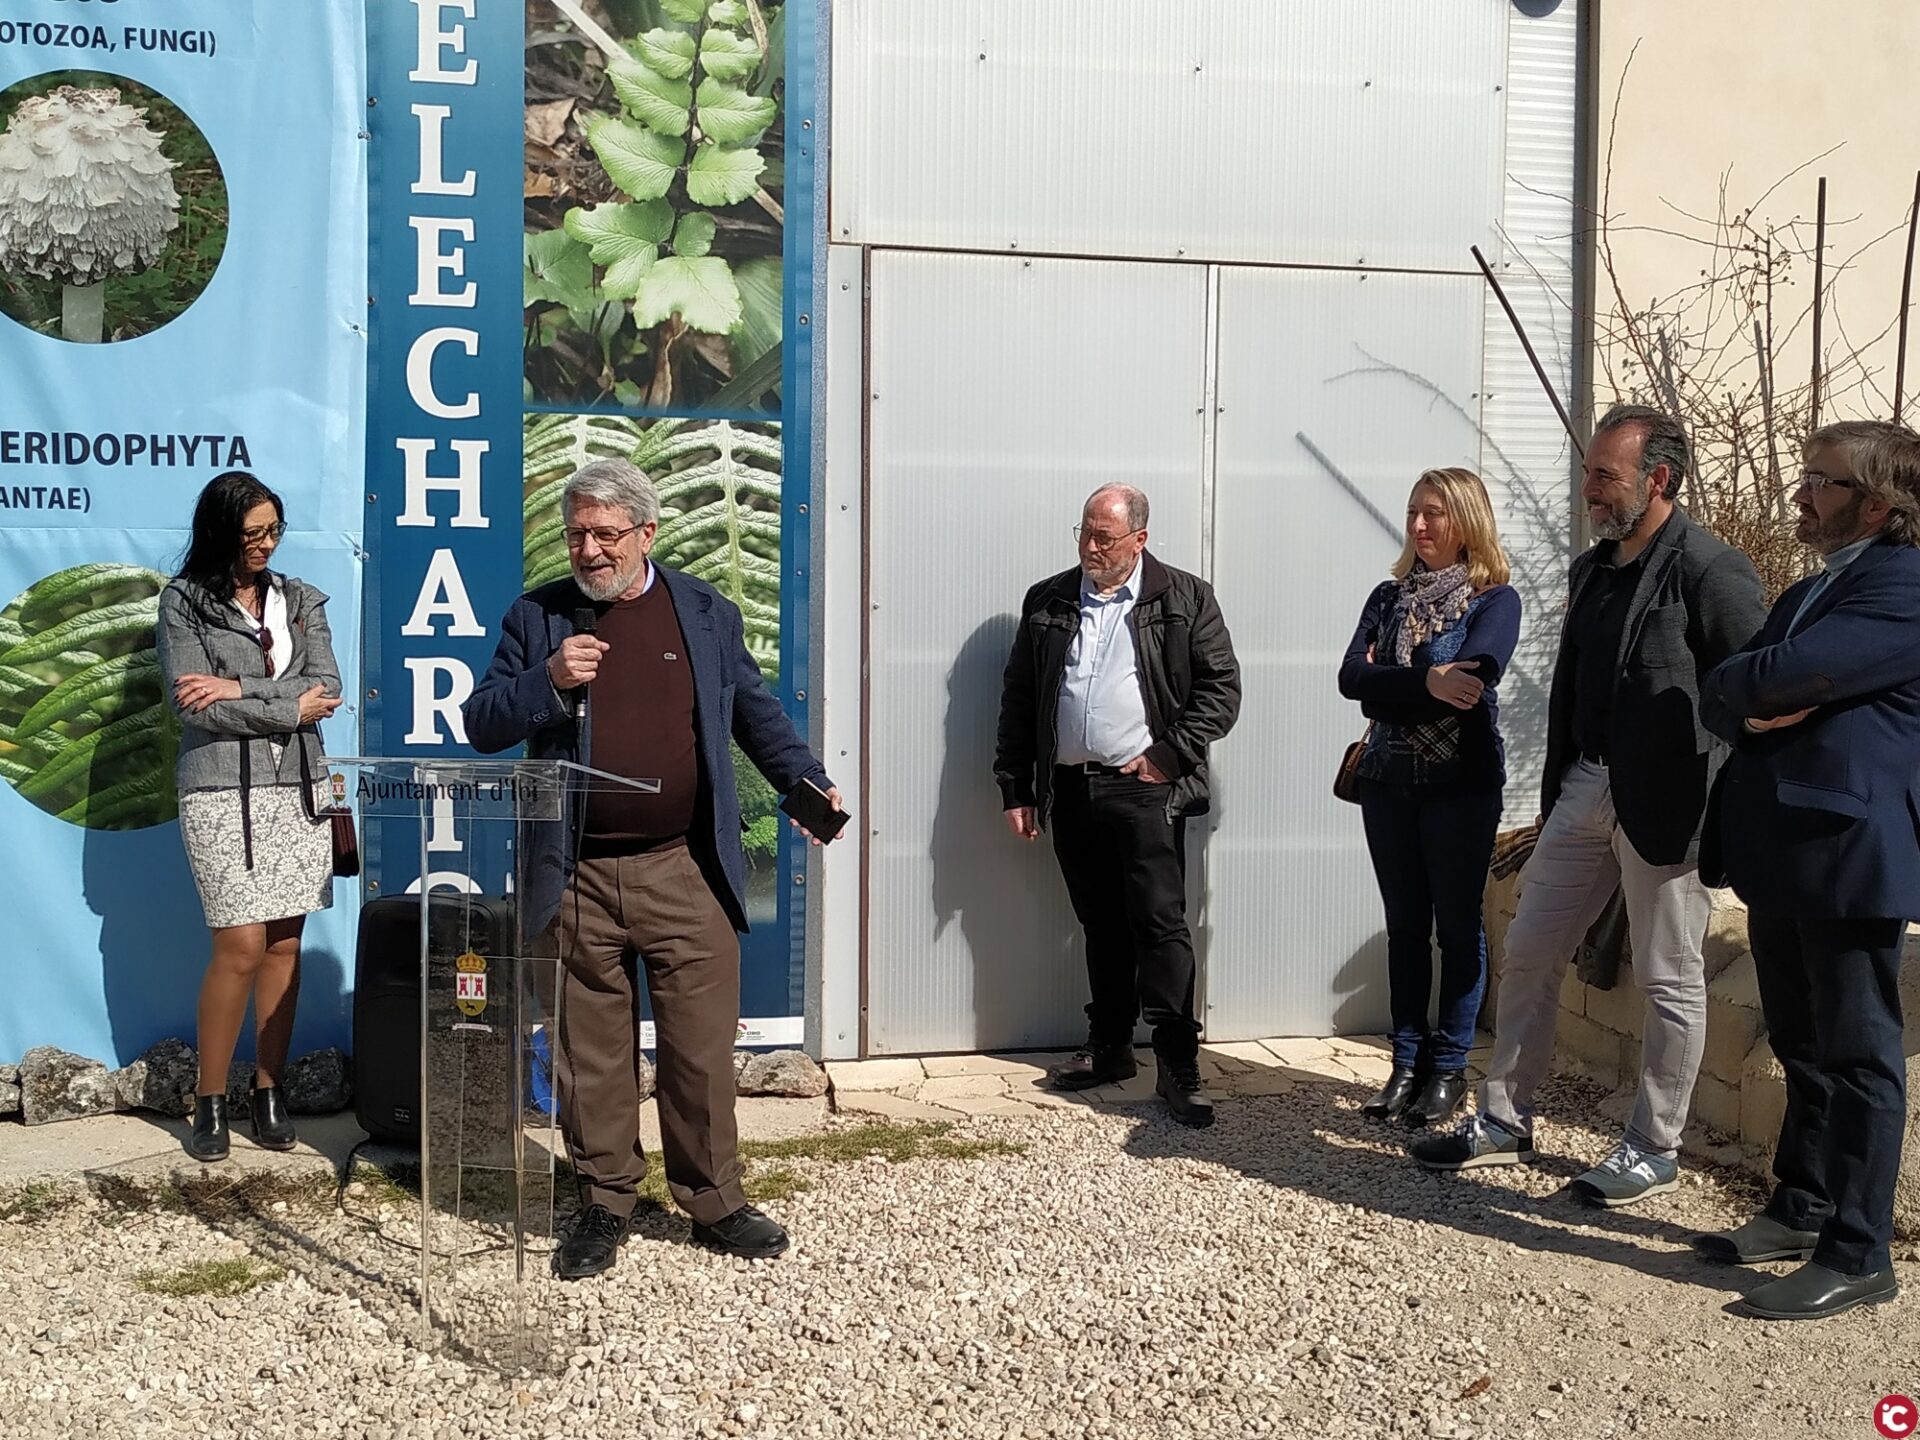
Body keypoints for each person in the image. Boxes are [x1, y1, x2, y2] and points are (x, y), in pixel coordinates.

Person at [463, 457, 839, 1277]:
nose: (589, 550)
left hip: (683, 867)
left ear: (647, 533)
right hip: (575, 873)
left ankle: (714, 1201)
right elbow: (482, 722)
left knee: (699, 1051)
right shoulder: (538, 617)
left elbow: (754, 714)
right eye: (576, 534)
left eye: (605, 533)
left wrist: (805, 780)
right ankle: (605, 1201)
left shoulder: (703, 612)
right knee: (590, 1055)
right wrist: (548, 680)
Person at [1412, 405, 1767, 1204]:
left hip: (1668, 804)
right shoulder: (1592, 570)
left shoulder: (1711, 569)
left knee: (1669, 978)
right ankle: (1502, 1121)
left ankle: (1653, 1146)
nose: (1588, 489)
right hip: (1584, 787)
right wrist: (1559, 790)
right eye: (1588, 472)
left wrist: (1721, 794)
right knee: (1530, 949)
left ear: (1659, 479)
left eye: (1605, 475)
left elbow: (1753, 689)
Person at [1693, 421, 1920, 1320]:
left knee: (1859, 1054)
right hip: (1788, 847)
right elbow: (1728, 687)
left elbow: (1769, 676)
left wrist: (1755, 691)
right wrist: (1754, 702)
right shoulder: (1815, 585)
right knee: (1801, 1042)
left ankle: (1859, 1252)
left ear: (1878, 504)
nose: (1800, 495)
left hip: (1849, 854)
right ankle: (1803, 1206)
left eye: (1821, 482)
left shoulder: (1904, 586)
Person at [993, 484, 1241, 1126]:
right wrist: (1017, 786)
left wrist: (1169, 756)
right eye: (1084, 532)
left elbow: (1221, 690)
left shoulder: (1184, 598)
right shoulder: (1049, 599)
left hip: (1146, 788)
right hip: (1072, 787)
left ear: (1140, 539)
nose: (1091, 547)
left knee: (1159, 926)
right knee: (1100, 925)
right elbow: (1020, 697)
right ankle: (1109, 1048)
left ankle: (1177, 1065)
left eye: (1104, 537)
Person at [155, 471, 345, 1163]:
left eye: (274, 531)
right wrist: (286, 705)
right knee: (239, 947)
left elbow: (329, 688)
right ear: (220, 534)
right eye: (252, 534)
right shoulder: (183, 602)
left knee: (284, 946)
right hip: (218, 793)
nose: (266, 545)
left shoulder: (300, 599)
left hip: (298, 787)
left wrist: (238, 686)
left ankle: (269, 1091)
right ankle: (209, 1099)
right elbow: (193, 706)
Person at [1338, 469, 1520, 1128]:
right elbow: (1350, 678)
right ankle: (1406, 1064)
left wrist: (1396, 684)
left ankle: (1448, 1069)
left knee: (1458, 927)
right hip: (1387, 783)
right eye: (1414, 511)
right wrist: (1426, 681)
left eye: (1434, 513)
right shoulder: (1387, 598)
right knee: (1406, 927)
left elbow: (1475, 676)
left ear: (1466, 521)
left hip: (1461, 789)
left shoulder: (1494, 600)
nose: (1418, 525)